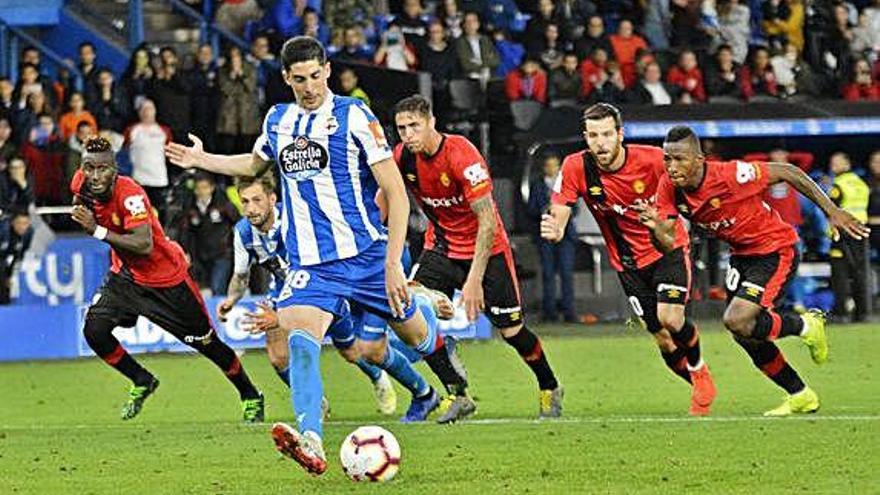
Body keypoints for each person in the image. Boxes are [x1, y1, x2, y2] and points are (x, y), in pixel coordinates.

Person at [165, 36, 465, 475]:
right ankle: (311, 440)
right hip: (312, 265)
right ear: (287, 78)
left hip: (367, 255)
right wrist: (201, 158)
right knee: (300, 343)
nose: (309, 86)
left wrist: (392, 264)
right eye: (299, 79)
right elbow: (252, 165)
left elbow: (397, 195)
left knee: (417, 336)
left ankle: (428, 312)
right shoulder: (279, 119)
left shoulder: (354, 116)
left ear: (327, 70)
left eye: (315, 75)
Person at [637, 125, 869, 415]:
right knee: (744, 333)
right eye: (667, 159)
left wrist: (831, 211)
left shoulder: (730, 175)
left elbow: (788, 171)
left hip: (775, 249)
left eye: (679, 159)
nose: (671, 167)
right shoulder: (668, 187)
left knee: (737, 320)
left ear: (699, 160)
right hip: (742, 256)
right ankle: (800, 394)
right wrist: (654, 229)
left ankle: (806, 325)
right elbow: (667, 244)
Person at [218, 173, 452, 422]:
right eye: (245, 202)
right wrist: (231, 299)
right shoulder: (243, 233)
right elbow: (241, 276)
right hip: (286, 289)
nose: (251, 209)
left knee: (361, 351)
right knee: (278, 356)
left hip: (326, 280)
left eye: (257, 200)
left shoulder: (297, 217)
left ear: (273, 198)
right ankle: (316, 403)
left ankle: (416, 387)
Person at [393, 94, 564, 420]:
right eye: (402, 128)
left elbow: (487, 220)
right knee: (411, 308)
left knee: (512, 331)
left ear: (431, 122)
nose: (408, 135)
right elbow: (386, 196)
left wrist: (473, 280)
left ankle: (549, 385)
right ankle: (458, 392)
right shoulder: (403, 157)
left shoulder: (462, 155)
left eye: (414, 126)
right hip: (441, 246)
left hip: (488, 250)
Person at [70, 136, 264, 422]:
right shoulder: (81, 184)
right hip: (127, 277)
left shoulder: (130, 194)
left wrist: (96, 230)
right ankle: (141, 379)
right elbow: (79, 201)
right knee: (94, 331)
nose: (95, 176)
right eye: (89, 168)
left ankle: (250, 395)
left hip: (166, 280)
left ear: (115, 169)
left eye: (103, 169)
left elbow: (144, 244)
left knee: (207, 344)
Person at [540, 103, 716, 416]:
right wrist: (556, 226)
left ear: (621, 135)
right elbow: (561, 206)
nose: (600, 142)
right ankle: (696, 383)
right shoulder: (576, 166)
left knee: (671, 319)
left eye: (607, 134)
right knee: (663, 339)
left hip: (667, 249)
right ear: (586, 137)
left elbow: (695, 180)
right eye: (593, 135)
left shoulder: (652, 160)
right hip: (628, 264)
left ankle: (701, 371)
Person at [528, 155, 577, 322]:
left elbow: (574, 209)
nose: (552, 169)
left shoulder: (566, 185)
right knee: (548, 274)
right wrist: (545, 210)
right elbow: (531, 210)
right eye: (549, 166)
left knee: (566, 273)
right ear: (544, 168)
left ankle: (569, 312)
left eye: (555, 165)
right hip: (545, 235)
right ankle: (550, 313)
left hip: (566, 236)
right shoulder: (538, 186)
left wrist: (560, 214)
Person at [827, 152, 871, 322]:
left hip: (843, 233)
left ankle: (842, 313)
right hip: (861, 231)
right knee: (860, 273)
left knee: (840, 273)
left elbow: (831, 210)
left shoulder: (838, 185)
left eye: (836, 163)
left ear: (847, 164)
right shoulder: (861, 183)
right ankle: (863, 312)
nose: (833, 166)